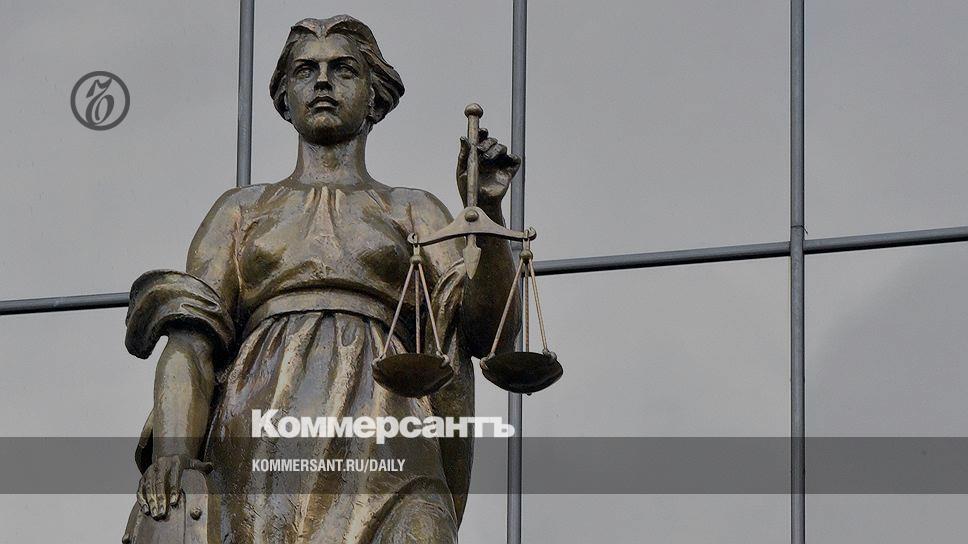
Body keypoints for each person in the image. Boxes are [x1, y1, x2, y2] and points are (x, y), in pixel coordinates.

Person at [124, 15, 521, 543]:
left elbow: (489, 331)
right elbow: (191, 343)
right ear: (285, 97)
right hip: (263, 441)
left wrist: (486, 213)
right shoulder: (242, 211)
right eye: (306, 70)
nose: (324, 82)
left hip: (391, 433)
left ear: (375, 95)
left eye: (344, 69)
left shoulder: (413, 209)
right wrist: (173, 452)